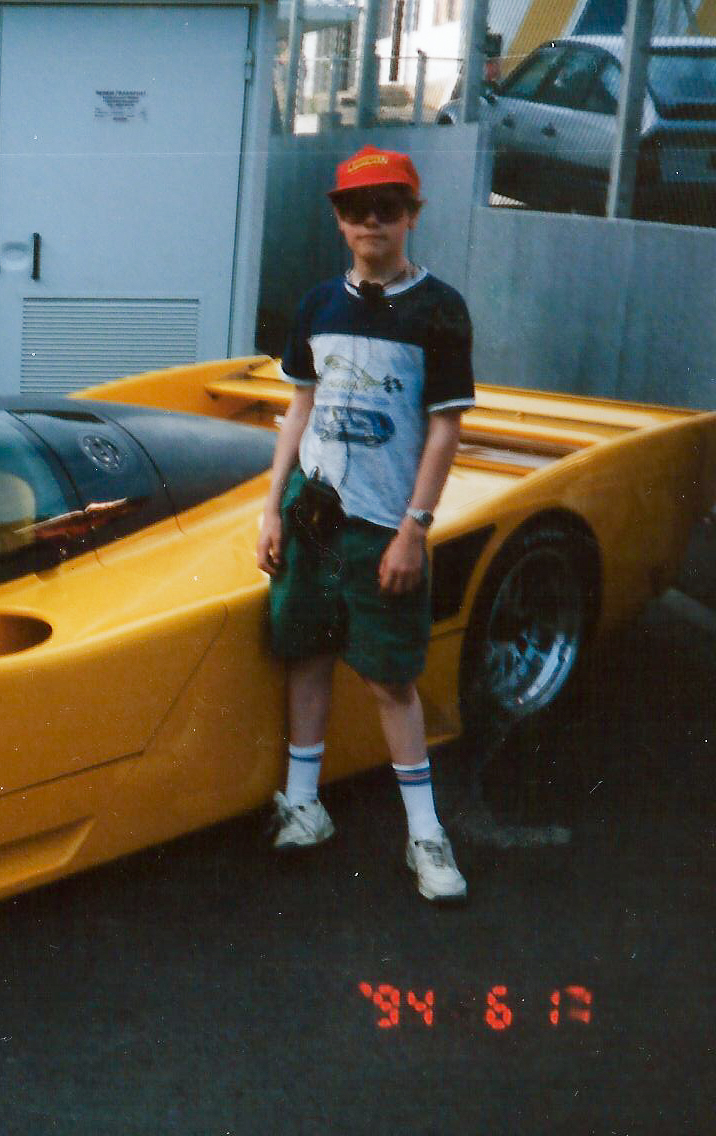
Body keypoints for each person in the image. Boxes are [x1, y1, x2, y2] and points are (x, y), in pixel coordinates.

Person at [254, 145, 476, 903]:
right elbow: (300, 410)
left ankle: (425, 834)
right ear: (338, 219)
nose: (372, 220)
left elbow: (444, 430)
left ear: (412, 214)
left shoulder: (438, 308)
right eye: (356, 208)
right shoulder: (318, 305)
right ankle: (304, 803)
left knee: (390, 677)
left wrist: (415, 528)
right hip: (312, 514)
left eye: (388, 206)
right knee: (307, 654)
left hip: (386, 522)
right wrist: (271, 509)